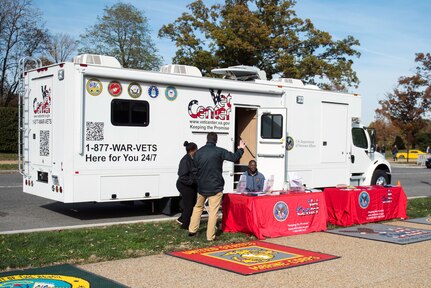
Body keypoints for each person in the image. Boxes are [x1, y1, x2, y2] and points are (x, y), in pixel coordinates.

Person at [189, 132, 245, 241]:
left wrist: (199, 180)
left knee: (197, 207)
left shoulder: (198, 153)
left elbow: (194, 170)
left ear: (207, 139)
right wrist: (241, 149)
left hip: (202, 187)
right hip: (215, 187)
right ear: (216, 140)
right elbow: (233, 157)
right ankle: (210, 236)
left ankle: (192, 230)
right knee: (213, 211)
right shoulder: (219, 151)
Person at [176, 141, 198, 230]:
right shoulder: (185, 160)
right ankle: (185, 225)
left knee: (189, 203)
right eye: (196, 150)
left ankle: (182, 219)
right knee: (189, 205)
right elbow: (182, 176)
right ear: (192, 150)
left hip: (187, 184)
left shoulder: (190, 159)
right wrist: (192, 182)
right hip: (184, 185)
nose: (197, 152)